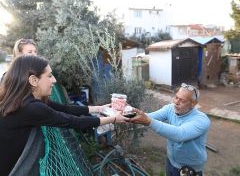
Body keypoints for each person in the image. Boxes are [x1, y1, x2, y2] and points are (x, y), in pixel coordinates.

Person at [0, 55, 129, 176]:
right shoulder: (31, 107)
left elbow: (65, 108)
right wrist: (114, 119)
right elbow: (74, 122)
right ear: (34, 80)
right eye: (49, 76)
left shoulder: (23, 98)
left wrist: (100, 108)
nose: (54, 80)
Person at [130, 83, 211, 176]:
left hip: (190, 168)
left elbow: (179, 134)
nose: (176, 102)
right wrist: (128, 112)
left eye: (182, 100)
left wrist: (149, 121)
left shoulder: (201, 120)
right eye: (176, 97)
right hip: (171, 161)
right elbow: (150, 117)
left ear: (193, 104)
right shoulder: (170, 108)